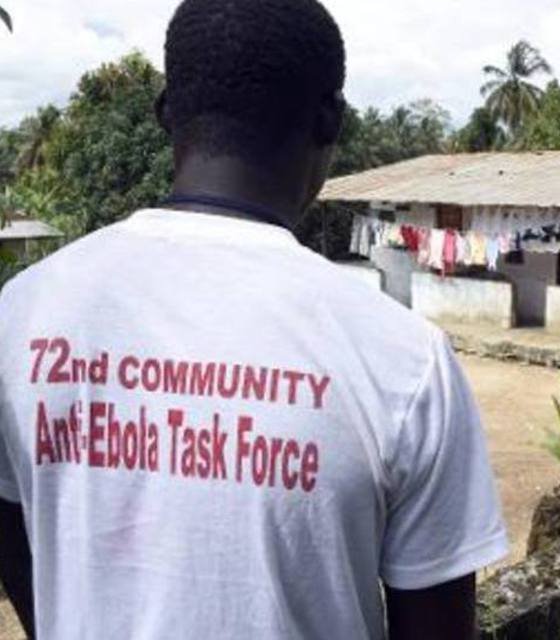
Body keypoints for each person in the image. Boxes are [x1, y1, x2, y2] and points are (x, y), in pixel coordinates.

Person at [0, 1, 508, 638]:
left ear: (165, 112)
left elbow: (15, 537)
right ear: (331, 120)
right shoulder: (405, 360)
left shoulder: (22, 314)